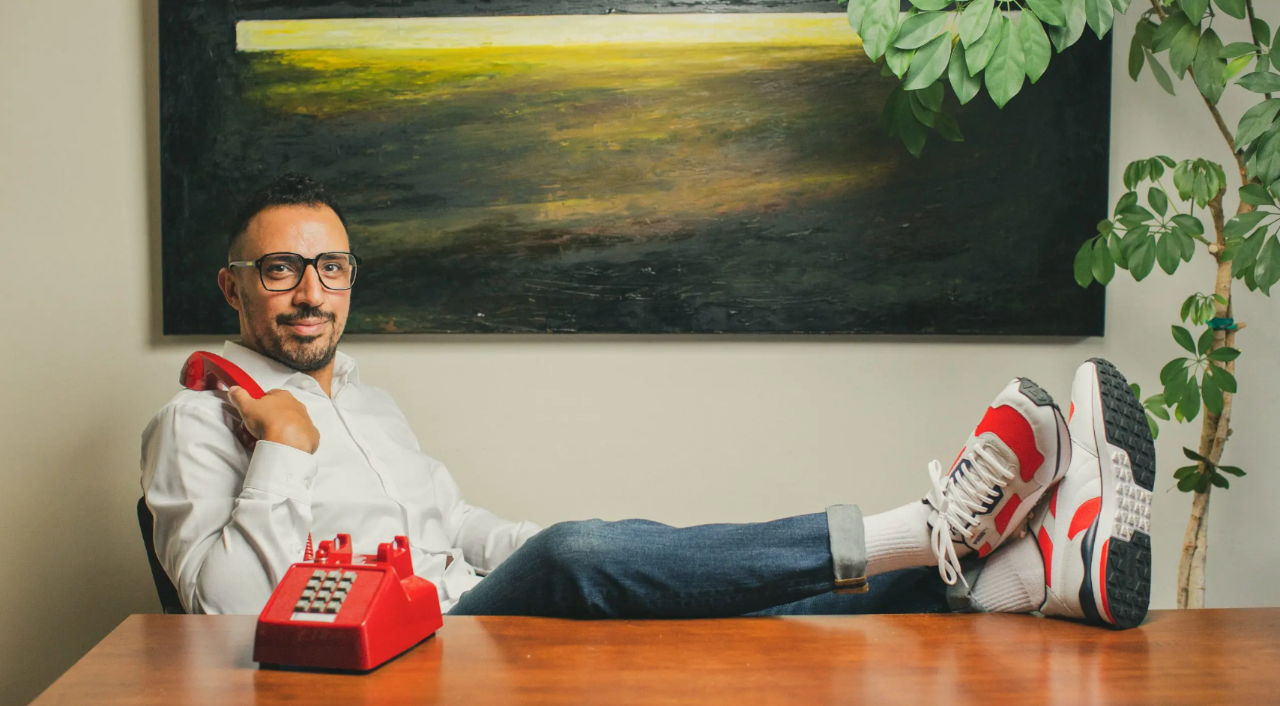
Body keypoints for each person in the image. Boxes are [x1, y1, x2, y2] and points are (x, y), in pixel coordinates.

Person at [141, 174, 1153, 629]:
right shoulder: (198, 419)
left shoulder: (371, 398)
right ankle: (931, 526)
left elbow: (458, 528)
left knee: (707, 602)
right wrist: (278, 446)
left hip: (475, 624)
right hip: (401, 657)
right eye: (281, 269)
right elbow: (219, 611)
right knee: (583, 555)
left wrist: (609, 557)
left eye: (330, 266)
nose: (311, 291)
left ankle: (1013, 577)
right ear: (232, 286)